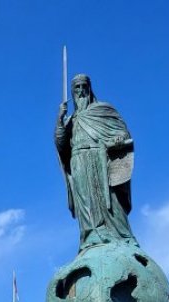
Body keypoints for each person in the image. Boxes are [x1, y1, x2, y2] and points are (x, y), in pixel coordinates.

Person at [55, 74, 137, 252]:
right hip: (78, 161)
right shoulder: (71, 120)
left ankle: (122, 236)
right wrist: (60, 121)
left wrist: (119, 138)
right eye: (77, 88)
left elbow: (123, 132)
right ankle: (90, 237)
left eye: (84, 86)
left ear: (90, 88)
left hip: (99, 158)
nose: (81, 91)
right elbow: (61, 146)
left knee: (109, 199)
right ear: (72, 92)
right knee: (84, 200)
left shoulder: (102, 110)